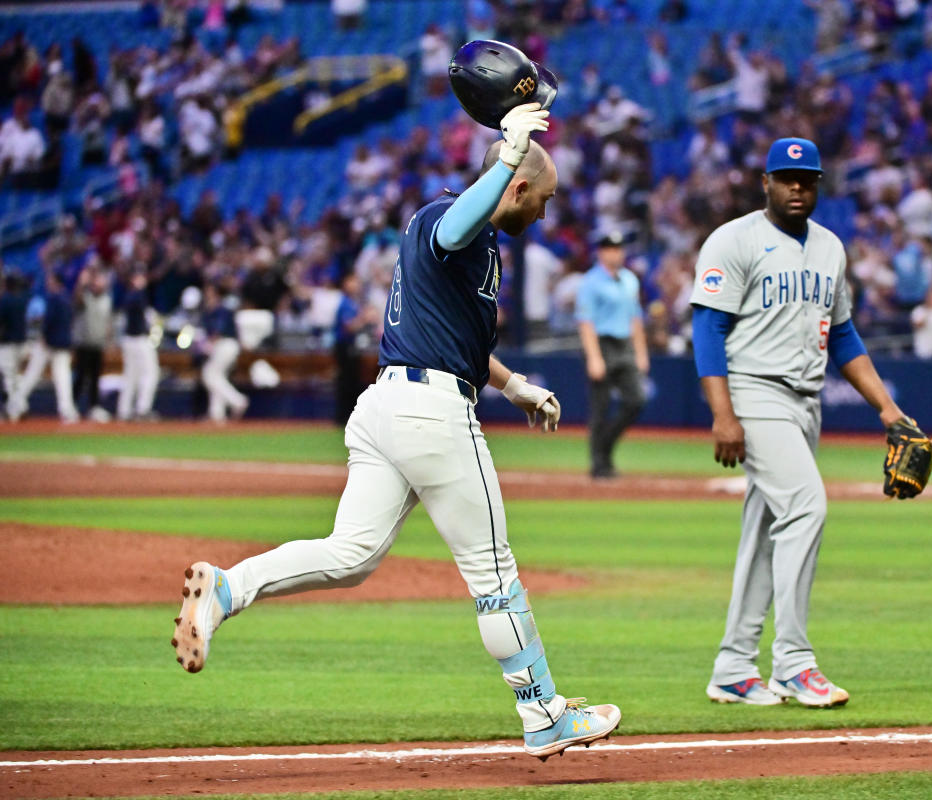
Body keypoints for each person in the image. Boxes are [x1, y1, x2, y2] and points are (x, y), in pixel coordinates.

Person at [171, 103, 621, 759]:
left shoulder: (476, 241)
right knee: (494, 574)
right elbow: (461, 221)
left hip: (386, 407)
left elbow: (455, 341)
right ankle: (543, 711)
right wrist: (509, 151)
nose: (545, 214)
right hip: (431, 416)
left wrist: (515, 386)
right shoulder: (450, 218)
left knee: (352, 553)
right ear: (515, 186)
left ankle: (228, 588)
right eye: (542, 199)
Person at [690, 138, 920, 707]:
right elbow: (707, 330)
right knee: (807, 506)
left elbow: (842, 334)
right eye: (787, 178)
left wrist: (887, 409)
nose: (798, 188)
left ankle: (734, 666)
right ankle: (793, 662)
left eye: (808, 179)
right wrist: (723, 414)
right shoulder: (734, 239)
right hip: (753, 391)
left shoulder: (830, 248)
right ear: (764, 182)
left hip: (805, 401)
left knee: (766, 533)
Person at [575, 230, 649, 479]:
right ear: (601, 252)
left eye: (619, 248)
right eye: (611, 248)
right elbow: (586, 322)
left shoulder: (630, 279)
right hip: (602, 344)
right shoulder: (591, 282)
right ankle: (599, 464)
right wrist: (594, 357)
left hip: (624, 343)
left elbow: (636, 317)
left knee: (636, 400)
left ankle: (604, 446)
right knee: (601, 407)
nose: (616, 253)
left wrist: (641, 352)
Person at [14, 271, 79, 423]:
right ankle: (67, 411)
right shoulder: (67, 298)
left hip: (49, 343)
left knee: (33, 374)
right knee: (62, 378)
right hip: (62, 343)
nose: (48, 282)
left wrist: (44, 336)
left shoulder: (54, 297)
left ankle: (15, 405)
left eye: (51, 279)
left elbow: (49, 320)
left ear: (56, 281)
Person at [332, 271, 378, 426]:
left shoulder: (353, 302)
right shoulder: (346, 303)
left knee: (352, 381)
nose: (356, 285)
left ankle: (349, 415)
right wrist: (365, 318)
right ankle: (342, 417)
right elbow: (349, 327)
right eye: (353, 281)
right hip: (344, 347)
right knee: (346, 382)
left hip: (351, 346)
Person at [200, 283, 249, 422]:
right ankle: (216, 413)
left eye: (211, 292)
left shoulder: (222, 310)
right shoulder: (207, 311)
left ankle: (238, 401)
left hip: (227, 344)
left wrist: (208, 344)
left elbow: (218, 332)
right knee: (217, 376)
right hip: (219, 346)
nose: (208, 294)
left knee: (209, 374)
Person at [116, 270, 160, 421]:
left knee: (130, 376)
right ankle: (143, 409)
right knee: (151, 373)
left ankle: (124, 410)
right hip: (139, 340)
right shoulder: (137, 295)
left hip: (129, 340)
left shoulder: (129, 295)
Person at [73, 263, 113, 421]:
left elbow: (108, 322)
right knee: (81, 377)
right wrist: (81, 284)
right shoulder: (86, 297)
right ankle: (73, 405)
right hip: (83, 344)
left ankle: (94, 407)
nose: (98, 285)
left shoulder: (106, 299)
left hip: (98, 344)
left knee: (96, 377)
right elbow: (77, 299)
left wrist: (109, 340)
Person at [0, 272, 31, 420]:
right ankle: (22, 406)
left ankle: (13, 410)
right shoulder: (23, 299)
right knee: (17, 376)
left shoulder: (5, 300)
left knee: (9, 377)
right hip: (22, 343)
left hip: (7, 344)